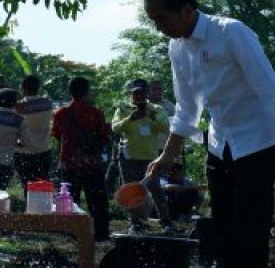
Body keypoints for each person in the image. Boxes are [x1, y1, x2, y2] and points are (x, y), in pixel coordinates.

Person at [143, 0, 275, 268]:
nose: (160, 27)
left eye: (163, 18)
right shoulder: (177, 47)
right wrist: (167, 155)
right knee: (221, 228)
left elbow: (270, 87)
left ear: (188, 10)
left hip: (259, 137)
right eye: (154, 21)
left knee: (250, 223)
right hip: (220, 141)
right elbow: (187, 109)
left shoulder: (231, 32)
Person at [52, 76, 112, 241]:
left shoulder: (61, 114)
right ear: (87, 92)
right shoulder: (96, 113)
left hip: (69, 163)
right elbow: (103, 136)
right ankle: (101, 233)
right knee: (97, 201)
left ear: (69, 92)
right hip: (92, 163)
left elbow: (57, 135)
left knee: (70, 200)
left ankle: (71, 232)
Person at [111, 78, 172, 231]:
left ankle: (166, 222)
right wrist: (130, 119)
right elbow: (115, 128)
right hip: (128, 157)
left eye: (141, 93)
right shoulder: (123, 108)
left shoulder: (157, 109)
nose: (138, 96)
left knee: (156, 189)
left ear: (146, 93)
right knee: (131, 191)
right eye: (135, 93)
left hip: (150, 158)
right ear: (131, 94)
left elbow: (167, 128)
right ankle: (136, 223)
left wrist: (152, 116)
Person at [14, 75, 55, 184]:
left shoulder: (19, 107)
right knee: (42, 184)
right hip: (43, 150)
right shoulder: (47, 103)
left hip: (24, 152)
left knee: (27, 185)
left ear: (23, 88)